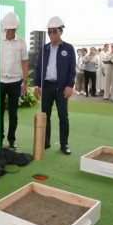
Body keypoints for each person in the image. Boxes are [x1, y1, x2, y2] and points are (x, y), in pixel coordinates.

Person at [34, 16, 76, 155]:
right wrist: (36, 85)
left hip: (62, 88)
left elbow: (72, 69)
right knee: (46, 115)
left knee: (63, 116)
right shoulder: (44, 48)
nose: (51, 34)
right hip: (46, 86)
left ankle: (64, 144)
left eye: (54, 31)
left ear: (61, 31)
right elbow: (39, 67)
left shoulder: (68, 48)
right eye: (49, 31)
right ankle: (46, 141)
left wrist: (70, 85)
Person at [0, 12, 29, 149]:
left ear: (16, 28)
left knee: (13, 113)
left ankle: (12, 139)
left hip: (15, 82)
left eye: (13, 29)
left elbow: (24, 62)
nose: (10, 32)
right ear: (4, 28)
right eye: (8, 29)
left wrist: (26, 82)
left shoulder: (22, 43)